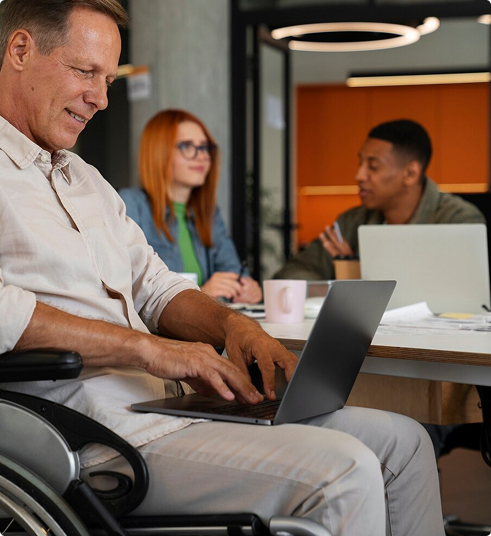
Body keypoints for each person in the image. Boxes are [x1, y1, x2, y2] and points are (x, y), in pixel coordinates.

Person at [0, 1, 445, 534]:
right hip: (90, 434)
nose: (99, 97)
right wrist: (148, 348)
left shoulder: (85, 180)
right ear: (21, 50)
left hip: (165, 406)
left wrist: (234, 326)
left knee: (406, 442)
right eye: (84, 71)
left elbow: (158, 288)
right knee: (344, 472)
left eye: (109, 80)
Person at [275, 119, 485, 281]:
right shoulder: (352, 221)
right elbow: (291, 273)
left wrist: (353, 273)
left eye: (373, 166)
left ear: (410, 173)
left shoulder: (458, 220)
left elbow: (460, 296)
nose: (359, 175)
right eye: (360, 163)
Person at [119, 110, 262, 304]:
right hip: (156, 333)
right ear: (159, 152)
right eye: (187, 146)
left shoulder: (209, 214)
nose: (201, 156)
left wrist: (248, 289)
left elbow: (234, 273)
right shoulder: (130, 205)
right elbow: (124, 291)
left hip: (203, 330)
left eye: (204, 147)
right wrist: (201, 295)